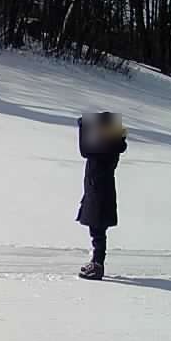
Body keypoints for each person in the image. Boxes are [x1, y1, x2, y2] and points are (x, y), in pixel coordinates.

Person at [76, 112, 128, 281]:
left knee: (97, 229)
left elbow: (85, 150)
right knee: (97, 228)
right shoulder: (110, 144)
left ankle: (97, 264)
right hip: (98, 188)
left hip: (99, 190)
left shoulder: (104, 147)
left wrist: (84, 127)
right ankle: (97, 262)